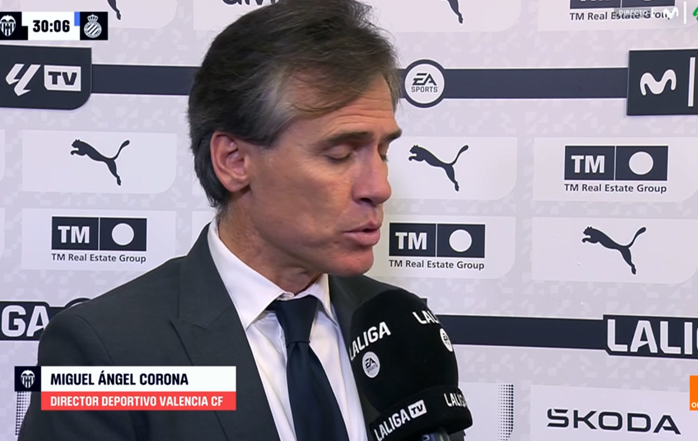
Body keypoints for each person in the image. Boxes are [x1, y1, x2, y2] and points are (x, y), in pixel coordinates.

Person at [19, 0, 465, 440]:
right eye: (340, 154)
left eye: (383, 152)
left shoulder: (401, 329)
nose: (379, 187)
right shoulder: (108, 350)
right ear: (234, 161)